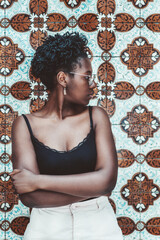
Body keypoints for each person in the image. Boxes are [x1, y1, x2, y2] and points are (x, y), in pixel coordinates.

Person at [10, 31, 123, 240]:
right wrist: (93, 186)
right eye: (87, 77)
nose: (94, 85)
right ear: (63, 78)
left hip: (99, 226)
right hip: (45, 227)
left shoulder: (97, 116)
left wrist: (38, 181)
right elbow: (30, 196)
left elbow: (107, 181)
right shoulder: (24, 125)